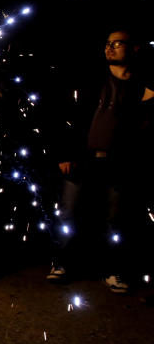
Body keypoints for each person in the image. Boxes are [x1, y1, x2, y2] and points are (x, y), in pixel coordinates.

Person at [49, 29, 154, 292]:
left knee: (117, 218)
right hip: (84, 159)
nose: (110, 48)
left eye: (117, 43)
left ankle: (114, 270)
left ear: (134, 49)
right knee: (69, 212)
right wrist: (66, 153)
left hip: (120, 162)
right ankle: (61, 263)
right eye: (108, 43)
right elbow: (70, 116)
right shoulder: (91, 81)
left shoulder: (144, 87)